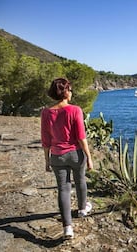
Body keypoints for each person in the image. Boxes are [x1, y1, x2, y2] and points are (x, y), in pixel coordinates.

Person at [41, 78, 93, 239]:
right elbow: (81, 137)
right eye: (70, 90)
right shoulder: (75, 110)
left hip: (57, 156)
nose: (71, 93)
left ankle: (67, 228)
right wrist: (89, 157)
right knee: (80, 181)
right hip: (75, 154)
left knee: (63, 189)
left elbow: (45, 140)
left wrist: (47, 160)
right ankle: (83, 209)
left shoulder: (46, 113)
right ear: (65, 92)